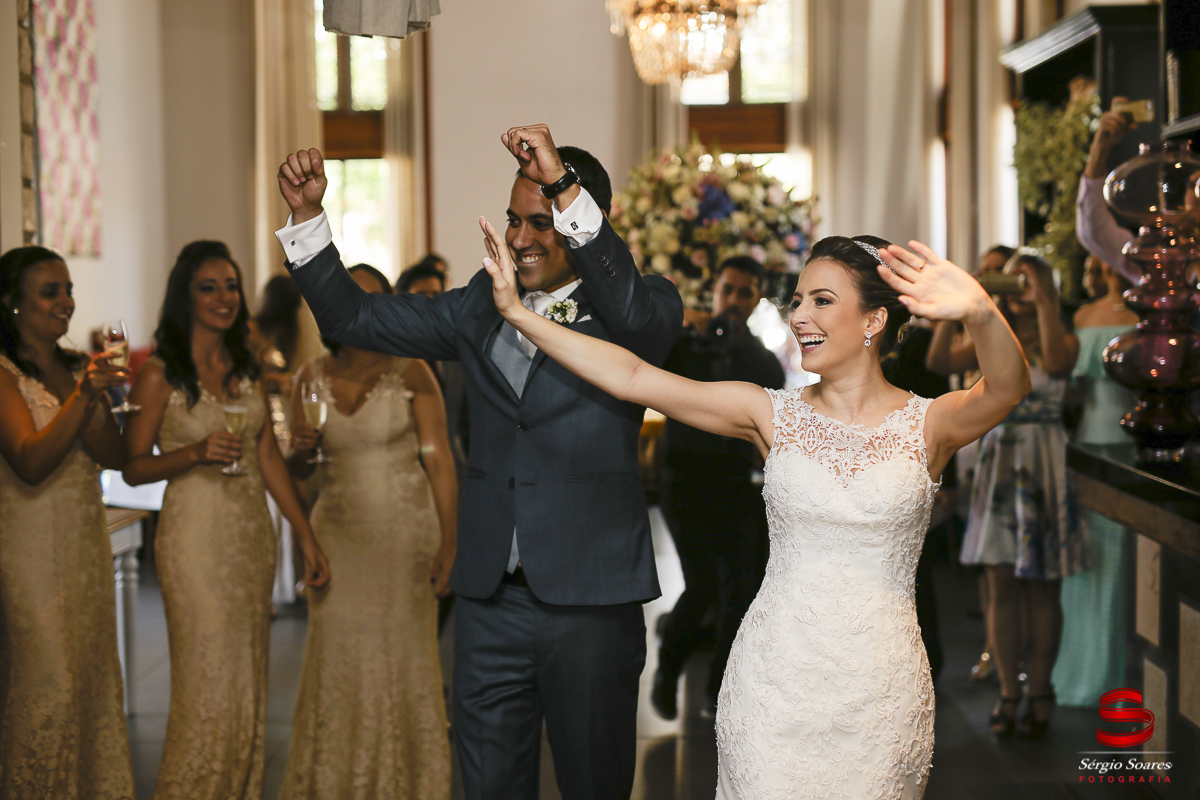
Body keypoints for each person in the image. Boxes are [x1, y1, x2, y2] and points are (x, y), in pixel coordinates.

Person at [479, 221, 1029, 797]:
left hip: (881, 688)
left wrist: (980, 310)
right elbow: (633, 376)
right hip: (773, 681)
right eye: (797, 301)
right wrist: (520, 315)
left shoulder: (928, 423)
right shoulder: (770, 415)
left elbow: (1007, 388)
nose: (798, 316)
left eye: (821, 300)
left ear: (874, 320)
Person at [275, 125, 682, 799]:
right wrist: (309, 219)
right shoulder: (477, 305)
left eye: (542, 223)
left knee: (594, 784)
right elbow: (354, 321)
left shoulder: (637, 307)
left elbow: (640, 321)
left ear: (582, 225)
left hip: (591, 601)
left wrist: (561, 183)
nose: (520, 239)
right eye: (515, 220)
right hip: (491, 602)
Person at [122, 240, 330, 800]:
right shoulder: (161, 374)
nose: (224, 297)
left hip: (249, 537)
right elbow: (133, 467)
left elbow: (267, 458)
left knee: (246, 682)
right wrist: (192, 452)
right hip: (193, 538)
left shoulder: (248, 369)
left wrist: (305, 535)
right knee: (206, 682)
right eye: (208, 287)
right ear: (185, 297)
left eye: (231, 286)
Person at [280, 263, 456, 799]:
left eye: (373, 298)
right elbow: (298, 470)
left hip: (406, 538)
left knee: (404, 660)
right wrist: (301, 452)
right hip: (338, 536)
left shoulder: (413, 371)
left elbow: (440, 460)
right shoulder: (309, 377)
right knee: (338, 659)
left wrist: (451, 541)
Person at [0, 246, 135, 799]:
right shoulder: (4, 372)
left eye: (69, 289)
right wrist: (82, 395)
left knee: (90, 683)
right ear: (11, 305)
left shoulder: (80, 365)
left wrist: (99, 396)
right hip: (31, 553)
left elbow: (114, 457)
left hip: (84, 547)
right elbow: (30, 462)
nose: (66, 302)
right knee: (48, 690)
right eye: (50, 292)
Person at [942, 251, 1083, 740]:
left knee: (1044, 588)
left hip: (1043, 461)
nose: (1019, 291)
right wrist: (966, 302)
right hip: (1000, 461)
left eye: (1029, 283)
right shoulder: (991, 335)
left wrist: (1043, 297)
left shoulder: (1058, 338)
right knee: (1001, 585)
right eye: (1013, 282)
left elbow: (1061, 364)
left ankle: (1041, 689)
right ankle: (1008, 691)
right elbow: (939, 361)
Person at [651, 255, 785, 720]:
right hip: (683, 479)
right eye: (727, 290)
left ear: (756, 300)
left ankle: (719, 691)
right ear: (715, 289)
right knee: (703, 583)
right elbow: (649, 365)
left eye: (744, 293)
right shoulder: (685, 343)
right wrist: (679, 322)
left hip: (732, 482)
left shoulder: (762, 360)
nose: (732, 301)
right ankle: (669, 669)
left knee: (744, 586)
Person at [1052, 256, 1136, 707]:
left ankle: (1124, 669)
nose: (1104, 271)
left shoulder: (1151, 313)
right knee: (1087, 558)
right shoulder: (1083, 316)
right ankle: (1083, 668)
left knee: (1127, 562)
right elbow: (1074, 389)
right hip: (1087, 444)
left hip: (1134, 448)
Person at [1076, 99, 1140, 283]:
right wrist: (1100, 148)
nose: (1195, 197)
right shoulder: (1161, 259)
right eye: (1192, 186)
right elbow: (1094, 232)